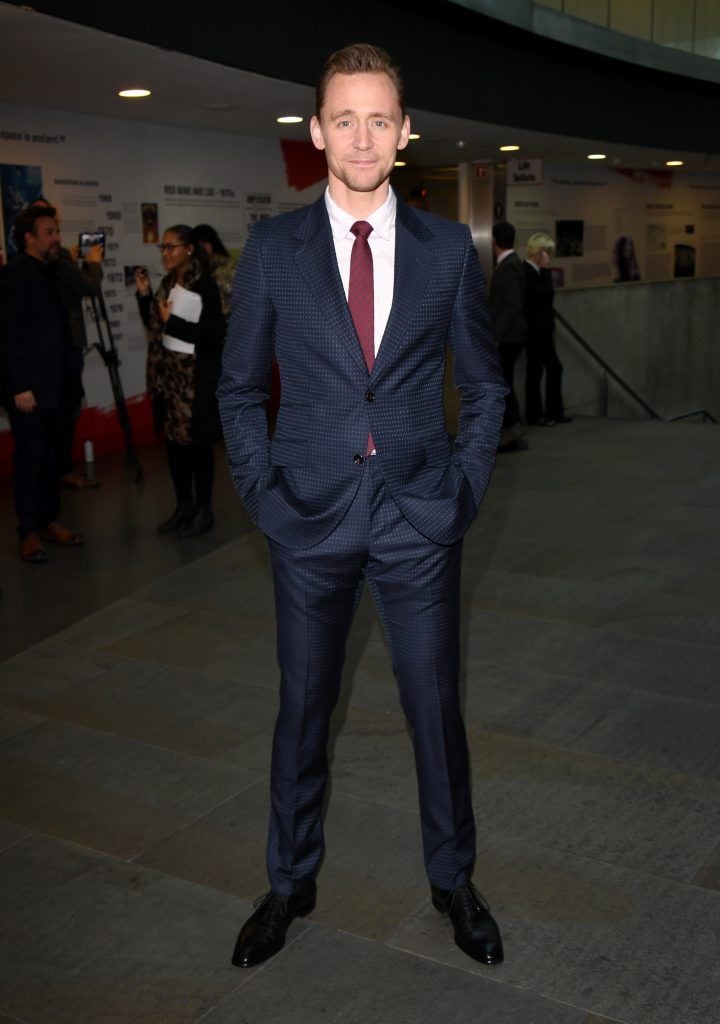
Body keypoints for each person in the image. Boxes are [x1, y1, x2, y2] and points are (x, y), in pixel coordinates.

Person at [218, 43, 508, 970]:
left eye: (380, 118)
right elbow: (236, 390)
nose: (362, 136)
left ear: (405, 131)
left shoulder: (444, 251)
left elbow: (488, 386)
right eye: (344, 118)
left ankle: (453, 880)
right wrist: (263, 495)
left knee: (435, 710)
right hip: (307, 519)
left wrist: (461, 489)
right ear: (316, 133)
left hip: (420, 519)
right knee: (302, 711)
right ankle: (288, 883)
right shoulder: (271, 252)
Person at [0, 205, 84, 562]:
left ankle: (50, 520)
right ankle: (29, 530)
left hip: (57, 386)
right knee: (31, 459)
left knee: (52, 458)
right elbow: (7, 335)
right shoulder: (14, 275)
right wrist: (19, 385)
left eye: (56, 231)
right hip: (29, 392)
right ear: (28, 238)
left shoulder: (52, 271)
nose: (56, 238)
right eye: (49, 232)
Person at [134, 225, 224, 537]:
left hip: (195, 379)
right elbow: (154, 324)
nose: (166, 253)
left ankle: (204, 509)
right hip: (169, 378)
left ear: (188, 249)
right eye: (163, 247)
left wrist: (172, 321)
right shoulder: (167, 282)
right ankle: (183, 505)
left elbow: (214, 335)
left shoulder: (205, 286)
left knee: (198, 447)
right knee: (174, 447)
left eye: (172, 247)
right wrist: (145, 295)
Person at [31, 197, 104, 489]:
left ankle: (56, 470)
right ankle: (61, 470)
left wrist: (73, 264)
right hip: (66, 345)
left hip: (56, 345)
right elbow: (90, 287)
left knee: (60, 409)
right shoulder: (55, 258)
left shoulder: (54, 259)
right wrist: (94, 264)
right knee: (65, 409)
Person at [523, 233, 572, 425]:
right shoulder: (527, 271)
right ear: (540, 252)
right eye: (547, 252)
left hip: (542, 328)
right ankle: (537, 414)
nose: (549, 256)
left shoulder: (534, 271)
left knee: (550, 368)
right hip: (535, 329)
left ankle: (552, 412)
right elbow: (543, 296)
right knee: (537, 370)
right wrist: (545, 271)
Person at [490, 220, 528, 452]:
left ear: (494, 241)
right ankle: (512, 430)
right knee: (504, 382)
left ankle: (513, 430)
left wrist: (496, 336)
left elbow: (512, 305)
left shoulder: (510, 266)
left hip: (509, 337)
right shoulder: (511, 264)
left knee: (503, 383)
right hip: (510, 336)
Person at [193, 224, 236, 321]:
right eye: (199, 245)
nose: (203, 248)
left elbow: (234, 290)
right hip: (199, 320)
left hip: (225, 319)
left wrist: (212, 272)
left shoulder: (228, 264)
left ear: (213, 243)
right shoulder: (192, 267)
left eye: (206, 243)